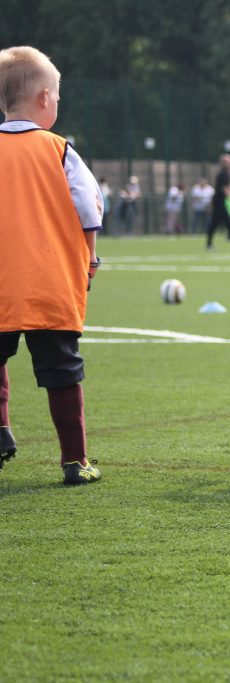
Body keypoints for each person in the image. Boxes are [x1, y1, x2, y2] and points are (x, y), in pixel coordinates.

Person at [0, 46, 103, 485]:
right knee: (62, 371)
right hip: (50, 282)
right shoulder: (60, 151)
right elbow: (89, 206)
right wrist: (90, 258)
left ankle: (2, 429)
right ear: (44, 99)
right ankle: (74, 462)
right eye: (57, 96)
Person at [206, 154, 230, 249]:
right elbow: (224, 189)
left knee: (225, 222)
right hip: (219, 202)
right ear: (222, 163)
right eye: (227, 162)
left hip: (221, 202)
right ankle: (209, 244)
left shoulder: (225, 173)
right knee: (217, 223)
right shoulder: (223, 174)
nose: (229, 163)